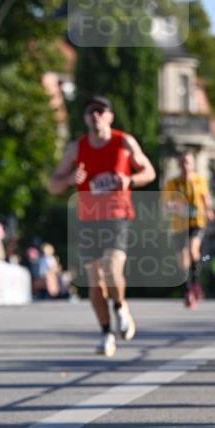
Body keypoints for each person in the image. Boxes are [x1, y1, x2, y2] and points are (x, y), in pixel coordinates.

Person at [48, 95, 156, 356]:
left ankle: (120, 308)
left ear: (110, 116)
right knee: (95, 282)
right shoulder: (77, 148)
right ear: (85, 118)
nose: (95, 115)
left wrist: (129, 180)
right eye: (90, 111)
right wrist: (70, 179)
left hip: (117, 215)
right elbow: (53, 184)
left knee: (111, 266)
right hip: (88, 219)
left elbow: (149, 172)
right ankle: (106, 333)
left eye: (100, 111)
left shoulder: (124, 142)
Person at [161, 150, 214, 308]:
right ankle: (188, 289)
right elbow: (164, 205)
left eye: (188, 162)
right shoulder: (172, 183)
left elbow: (205, 198)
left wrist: (209, 210)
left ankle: (195, 285)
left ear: (193, 164)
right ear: (179, 164)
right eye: (182, 162)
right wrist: (176, 207)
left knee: (193, 251)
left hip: (196, 221)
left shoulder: (199, 180)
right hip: (179, 224)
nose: (185, 165)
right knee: (182, 259)